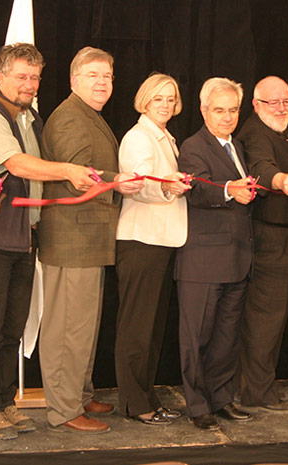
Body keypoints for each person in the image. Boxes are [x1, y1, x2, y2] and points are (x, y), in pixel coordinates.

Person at [0, 43, 96, 440]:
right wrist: (69, 170)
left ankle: (4, 402)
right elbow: (16, 164)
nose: (29, 84)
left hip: (21, 241)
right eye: (20, 76)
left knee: (11, 329)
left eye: (34, 77)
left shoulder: (29, 117)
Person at [37, 46, 143, 434]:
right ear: (73, 80)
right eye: (94, 75)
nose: (102, 83)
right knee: (67, 326)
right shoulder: (68, 117)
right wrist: (120, 180)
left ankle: (78, 395)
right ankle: (63, 409)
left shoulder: (88, 116)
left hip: (89, 236)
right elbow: (79, 175)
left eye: (108, 77)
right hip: (72, 237)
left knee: (82, 324)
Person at [176, 77, 254, 431]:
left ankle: (221, 398)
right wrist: (228, 190)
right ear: (204, 110)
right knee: (197, 337)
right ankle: (197, 405)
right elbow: (199, 187)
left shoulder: (237, 146)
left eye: (233, 110)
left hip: (237, 259)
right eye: (219, 110)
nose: (226, 117)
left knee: (226, 338)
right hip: (202, 261)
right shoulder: (193, 146)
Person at [114, 73, 190, 426]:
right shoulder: (138, 137)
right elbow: (135, 184)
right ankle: (135, 404)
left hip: (160, 243)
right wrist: (168, 190)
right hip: (142, 241)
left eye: (170, 98)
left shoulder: (164, 138)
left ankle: (147, 398)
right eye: (158, 98)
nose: (165, 104)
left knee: (151, 330)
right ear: (144, 100)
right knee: (137, 329)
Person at [236, 76, 288, 413]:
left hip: (286, 236)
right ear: (256, 104)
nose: (281, 108)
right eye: (272, 102)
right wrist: (279, 180)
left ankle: (256, 387)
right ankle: (256, 393)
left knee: (273, 318)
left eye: (287, 102)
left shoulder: (282, 133)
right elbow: (260, 168)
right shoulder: (255, 134)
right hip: (269, 238)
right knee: (265, 317)